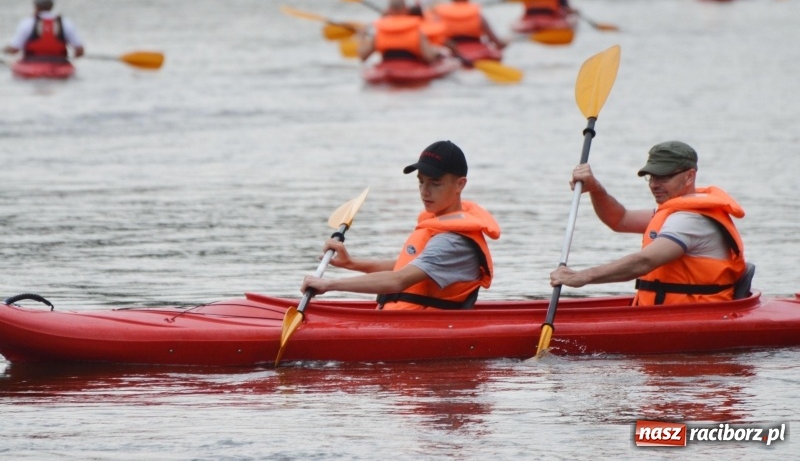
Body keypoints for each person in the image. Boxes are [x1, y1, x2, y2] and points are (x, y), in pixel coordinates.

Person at [301, 140, 501, 311]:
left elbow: (398, 280)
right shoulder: (441, 229)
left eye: (435, 183)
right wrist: (352, 264)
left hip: (425, 328)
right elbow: (405, 266)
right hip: (405, 320)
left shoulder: (452, 242)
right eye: (421, 182)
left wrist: (328, 284)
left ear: (460, 184)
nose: (425, 191)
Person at [549, 141, 747, 306]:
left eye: (664, 176)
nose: (654, 184)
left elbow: (645, 262)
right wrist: (595, 188)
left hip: (694, 318)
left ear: (689, 176)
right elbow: (620, 219)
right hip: (664, 313)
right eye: (651, 176)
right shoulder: (676, 212)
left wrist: (583, 276)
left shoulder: (691, 221)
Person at [357, 0, 444, 64]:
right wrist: (437, 53)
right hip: (411, 67)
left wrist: (361, 37)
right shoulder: (417, 30)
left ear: (389, 11)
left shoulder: (380, 31)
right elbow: (429, 57)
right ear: (406, 10)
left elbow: (363, 57)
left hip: (387, 67)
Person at [4, 0, 84, 61]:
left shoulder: (27, 22)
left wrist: (4, 50)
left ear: (36, 6)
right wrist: (71, 59)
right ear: (52, 6)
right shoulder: (65, 22)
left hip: (32, 63)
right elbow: (79, 51)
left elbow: (14, 50)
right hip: (59, 63)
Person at [434, 0, 507, 51]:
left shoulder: (441, 15)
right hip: (476, 50)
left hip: (454, 49)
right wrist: (505, 43)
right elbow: (496, 41)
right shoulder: (477, 15)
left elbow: (437, 39)